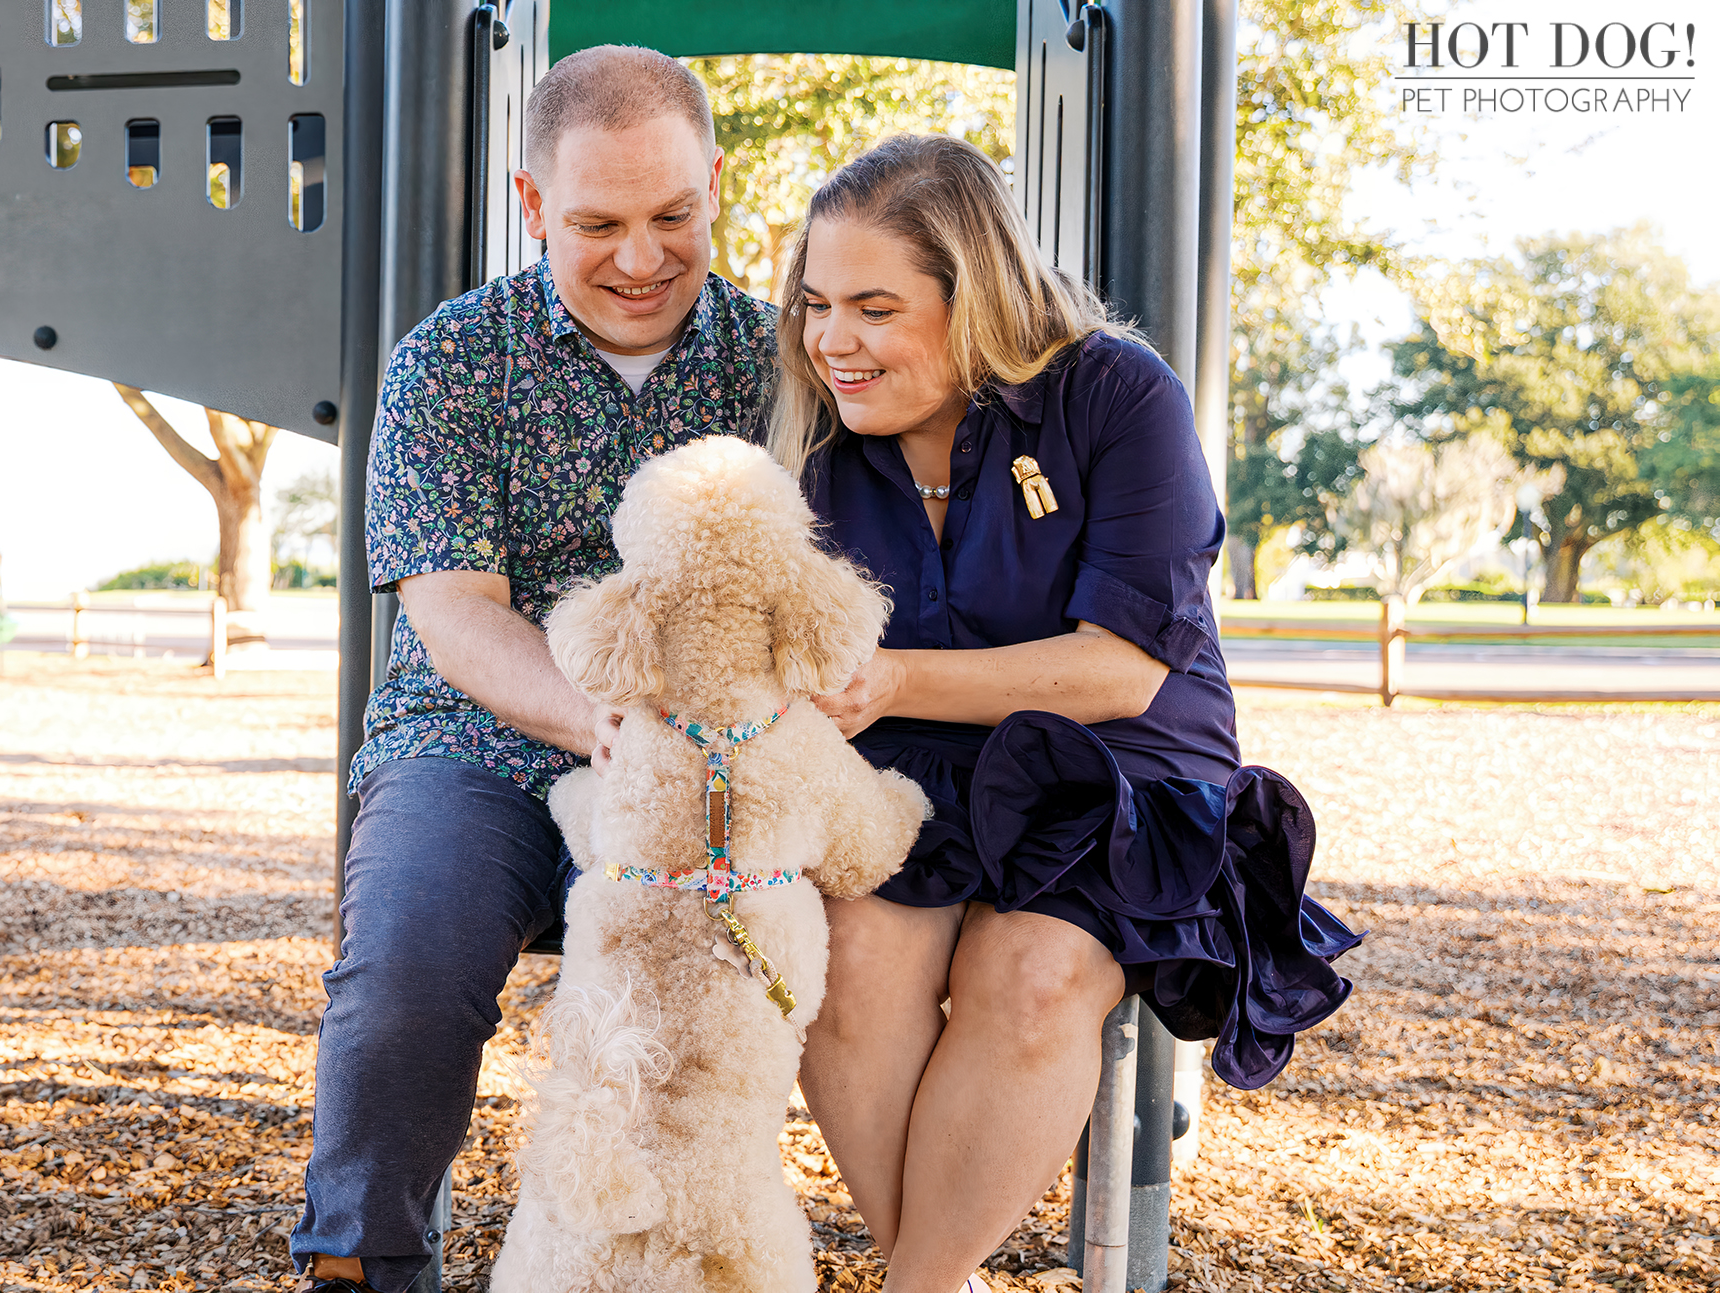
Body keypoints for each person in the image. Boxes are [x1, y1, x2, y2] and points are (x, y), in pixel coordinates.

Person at [775, 135, 1362, 1293]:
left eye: (875, 307)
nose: (832, 340)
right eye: (816, 304)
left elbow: (1118, 671)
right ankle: (933, 1279)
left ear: (975, 294)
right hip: (906, 769)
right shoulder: (813, 435)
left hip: (1117, 776)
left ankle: (916, 1283)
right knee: (842, 958)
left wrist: (888, 679)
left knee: (1031, 973)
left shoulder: (1115, 395)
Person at [290, 47, 776, 1293]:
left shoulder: (780, 366)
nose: (637, 258)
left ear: (716, 183)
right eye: (596, 224)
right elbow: (454, 615)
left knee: (770, 988)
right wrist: (607, 720)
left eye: (672, 216)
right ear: (530, 204)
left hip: (713, 754)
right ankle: (364, 1263)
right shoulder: (447, 362)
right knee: (404, 969)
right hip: (476, 740)